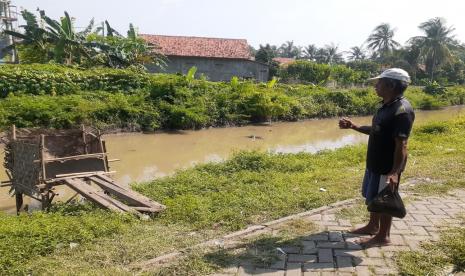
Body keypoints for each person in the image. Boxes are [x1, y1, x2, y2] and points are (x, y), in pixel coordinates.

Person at [339, 68, 415, 247]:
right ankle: (372, 226)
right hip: (375, 162)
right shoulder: (386, 106)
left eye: (378, 83)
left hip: (387, 166)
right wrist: (354, 127)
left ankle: (383, 236)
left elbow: (401, 145)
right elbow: (377, 131)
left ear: (390, 85)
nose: (375, 86)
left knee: (385, 198)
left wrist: (395, 172)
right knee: (374, 197)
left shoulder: (402, 111)